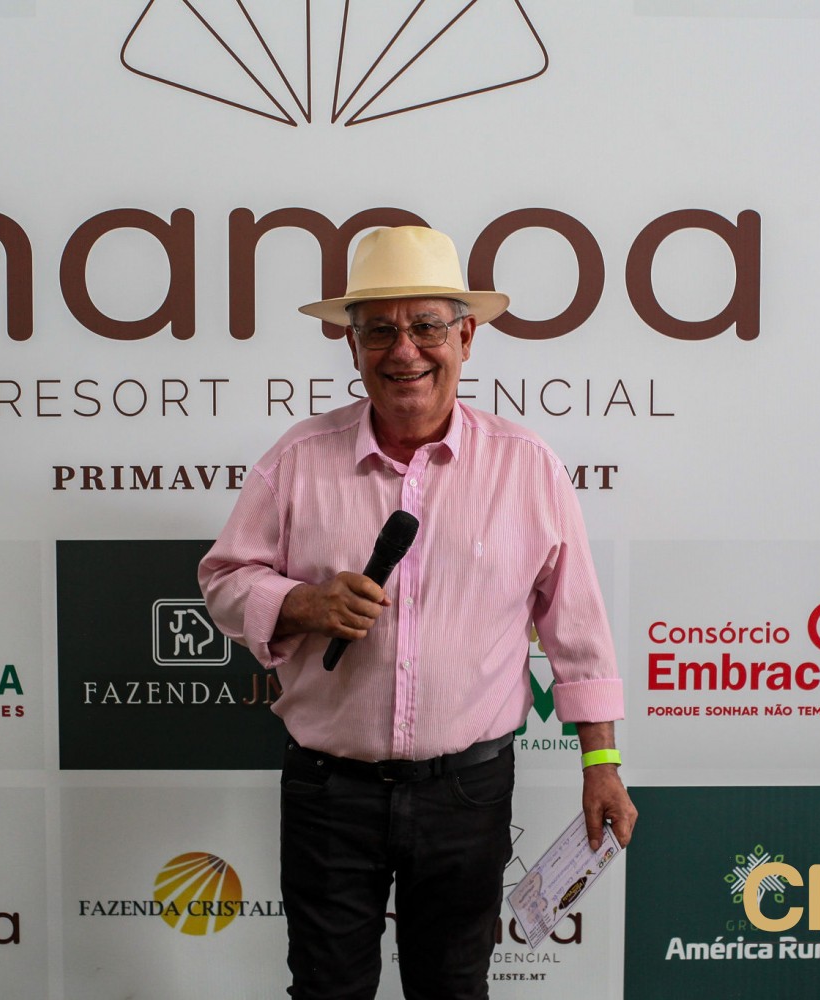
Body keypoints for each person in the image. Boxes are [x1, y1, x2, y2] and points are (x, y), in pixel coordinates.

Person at [198, 226, 636, 1000]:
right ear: (352, 346)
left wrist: (601, 764)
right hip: (329, 792)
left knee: (454, 990)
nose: (405, 351)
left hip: (467, 794)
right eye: (379, 330)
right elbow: (224, 579)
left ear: (466, 338)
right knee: (327, 992)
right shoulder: (297, 459)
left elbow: (577, 632)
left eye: (427, 326)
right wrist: (301, 603)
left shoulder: (527, 466)